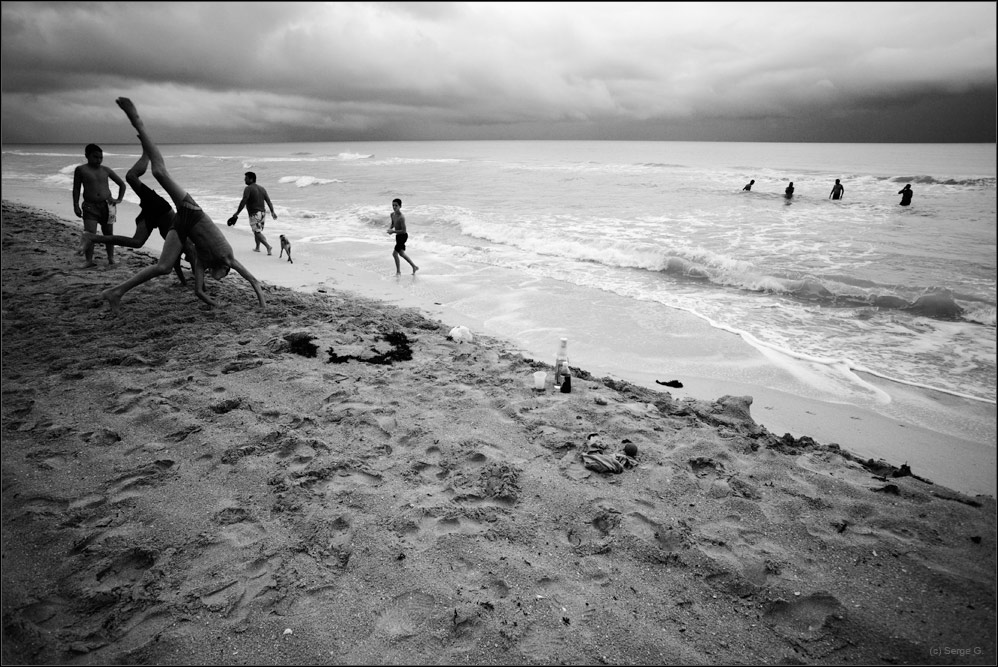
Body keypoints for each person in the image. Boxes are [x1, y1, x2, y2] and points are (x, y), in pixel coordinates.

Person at [100, 97, 266, 315]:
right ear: (225, 269)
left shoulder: (203, 262)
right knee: (159, 172)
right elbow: (254, 281)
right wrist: (263, 305)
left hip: (181, 225)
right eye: (222, 275)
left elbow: (198, 292)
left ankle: (116, 292)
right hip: (192, 211)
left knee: (163, 267)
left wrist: (218, 305)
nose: (218, 277)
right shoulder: (227, 258)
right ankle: (137, 122)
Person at [82, 150, 187, 284]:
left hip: (153, 216)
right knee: (131, 177)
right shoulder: (190, 247)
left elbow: (175, 262)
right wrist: (200, 287)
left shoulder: (181, 249)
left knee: (137, 242)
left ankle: (93, 237)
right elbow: (192, 261)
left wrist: (184, 282)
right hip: (159, 208)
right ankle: (147, 152)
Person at [73, 143, 126, 267]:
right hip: (90, 206)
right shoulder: (81, 170)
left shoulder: (105, 170)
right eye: (95, 157)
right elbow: (76, 188)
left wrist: (119, 199)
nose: (98, 160)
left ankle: (111, 258)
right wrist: (75, 205)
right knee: (90, 234)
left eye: (101, 157)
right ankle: (88, 261)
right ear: (87, 156)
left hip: (107, 206)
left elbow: (122, 185)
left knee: (108, 234)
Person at [231, 172, 277, 254]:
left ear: (251, 179)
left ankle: (268, 246)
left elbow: (243, 201)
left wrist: (237, 212)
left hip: (254, 213)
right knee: (257, 231)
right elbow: (268, 201)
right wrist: (272, 211)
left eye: (246, 178)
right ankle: (257, 247)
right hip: (262, 213)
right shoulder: (262, 188)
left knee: (257, 232)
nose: (244, 180)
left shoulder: (248, 188)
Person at [386, 198, 418, 274]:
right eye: (393, 205)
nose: (394, 207)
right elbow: (393, 223)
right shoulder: (392, 214)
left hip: (403, 236)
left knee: (394, 254)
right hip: (398, 236)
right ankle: (414, 267)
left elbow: (404, 231)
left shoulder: (401, 217)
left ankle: (398, 272)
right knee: (401, 253)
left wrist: (393, 231)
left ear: (400, 206)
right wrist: (390, 228)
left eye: (396, 205)